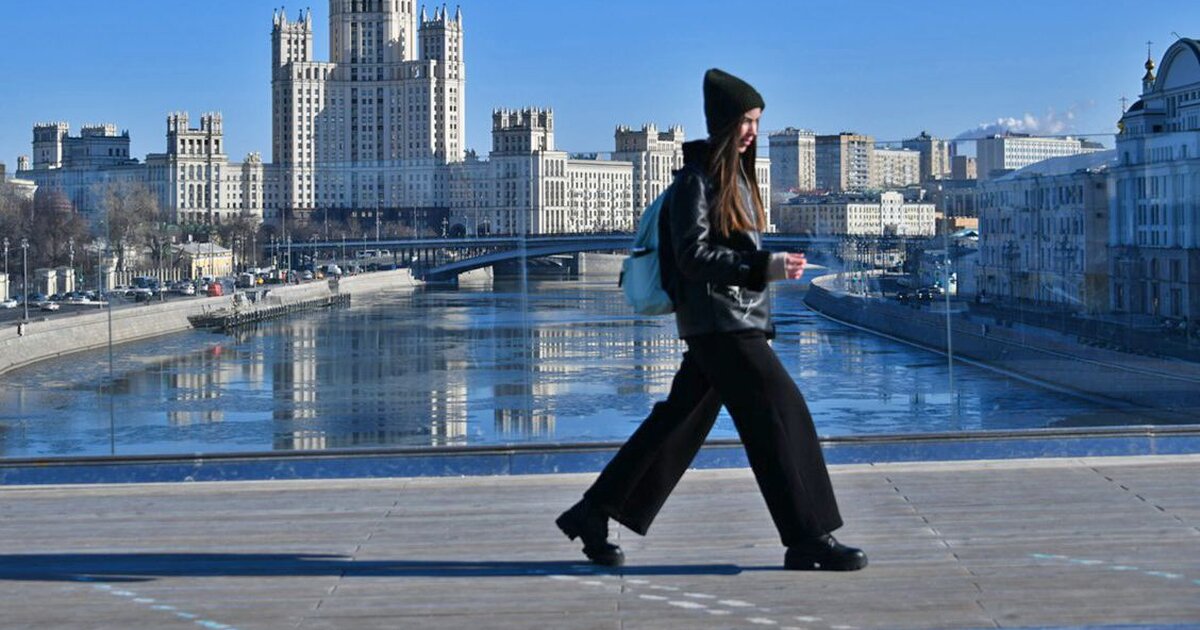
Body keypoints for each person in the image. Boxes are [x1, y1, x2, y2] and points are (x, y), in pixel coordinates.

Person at [556, 68, 867, 572]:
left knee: (676, 425)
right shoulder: (694, 182)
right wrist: (761, 267)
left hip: (728, 322)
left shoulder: (731, 180)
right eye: (746, 120)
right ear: (723, 122)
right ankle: (808, 536)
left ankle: (593, 512)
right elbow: (691, 257)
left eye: (758, 121)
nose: (753, 131)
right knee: (782, 416)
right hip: (721, 325)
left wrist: (761, 269)